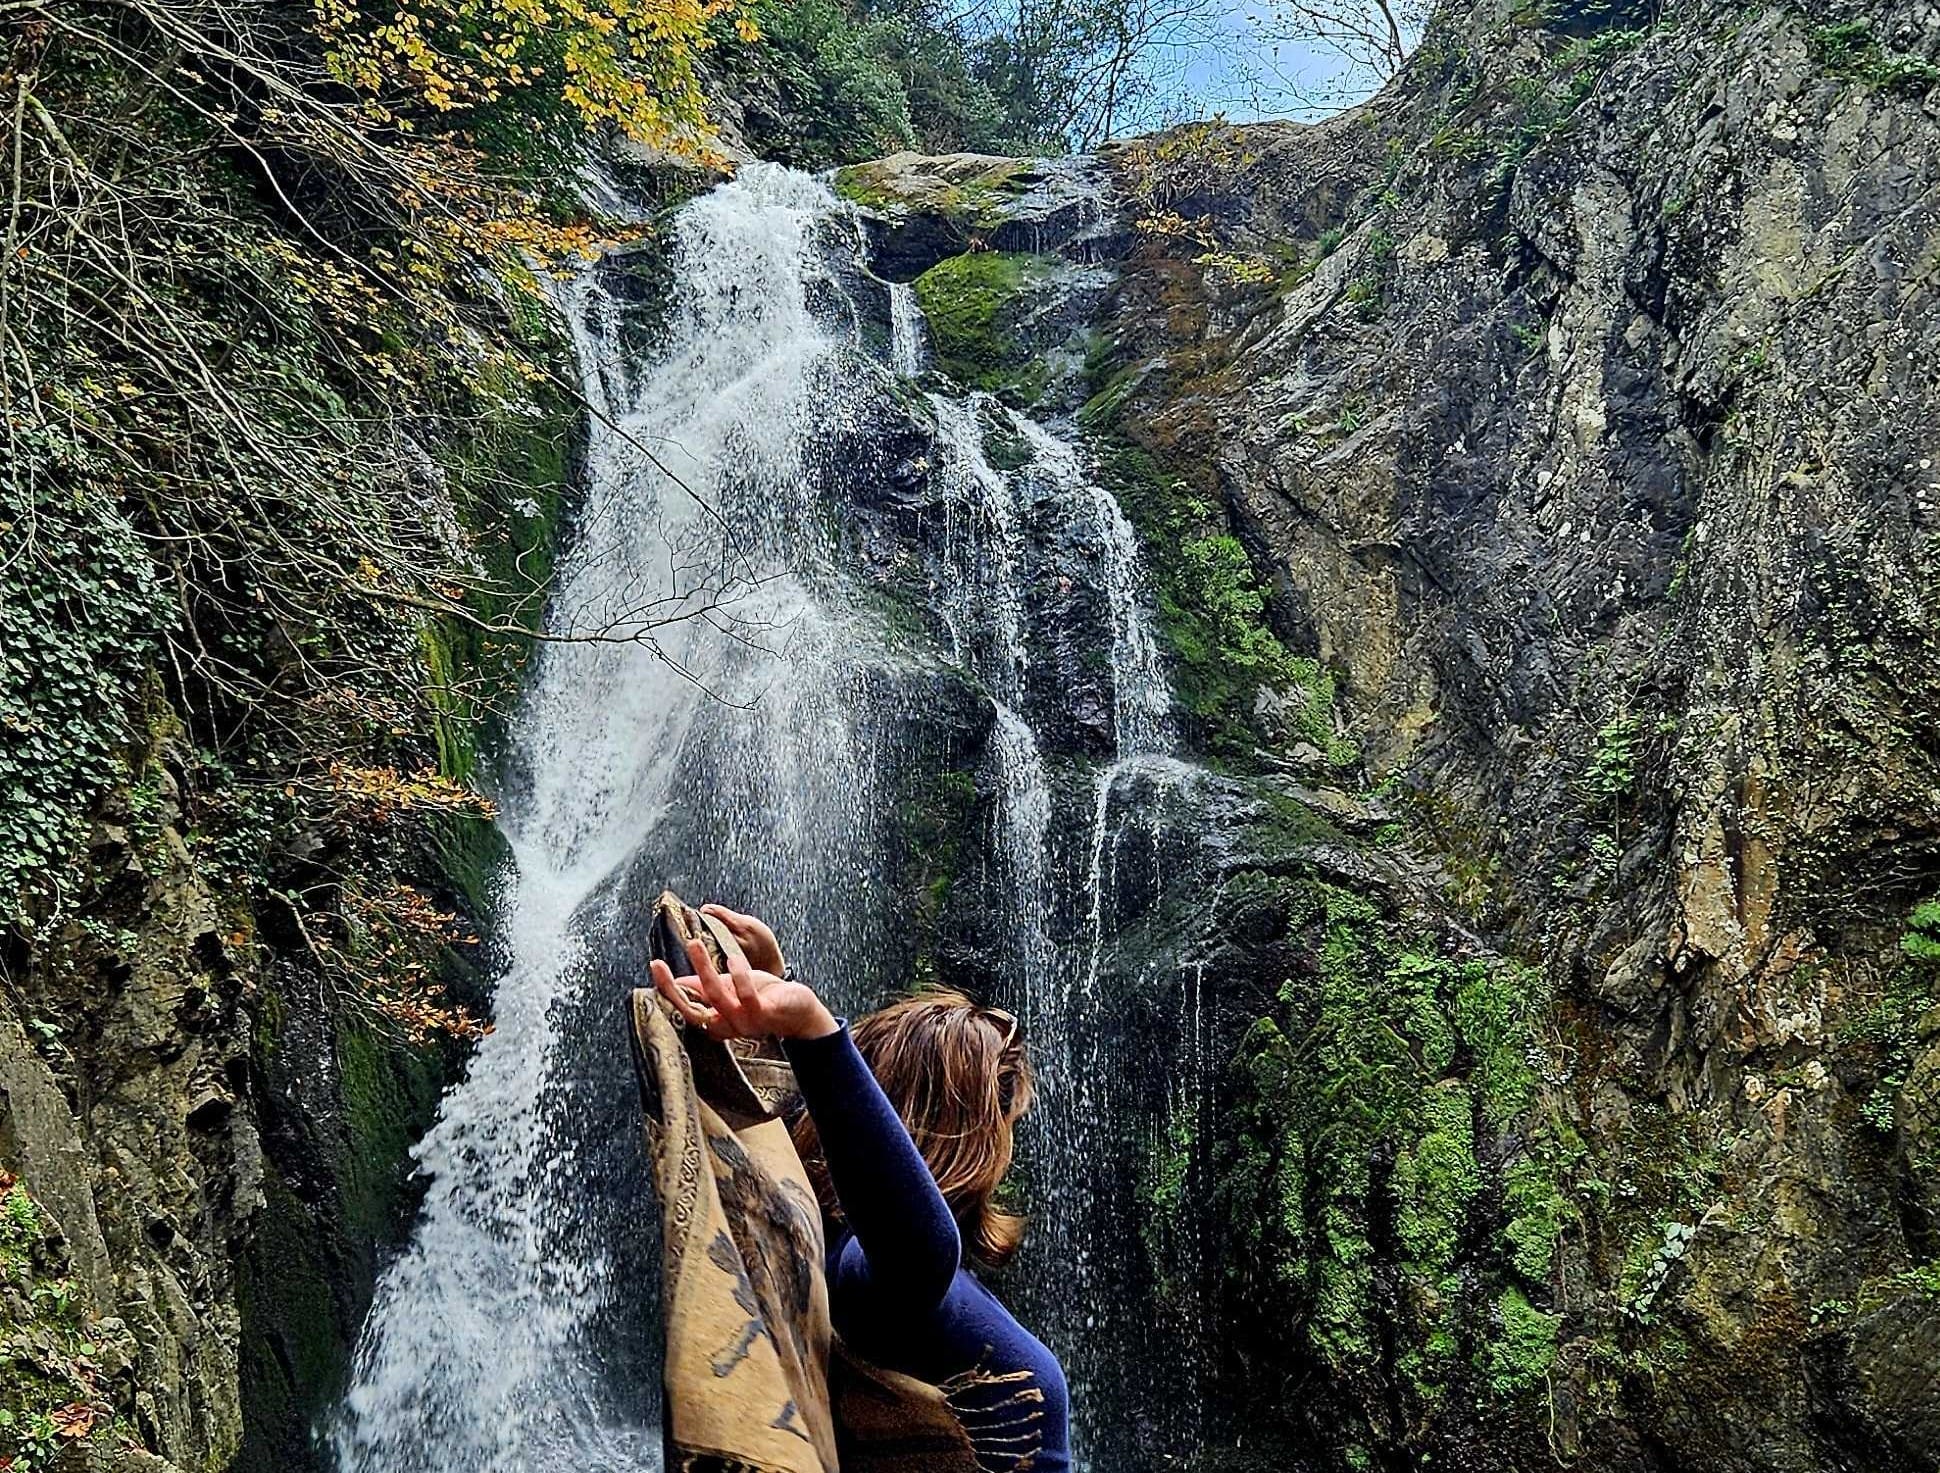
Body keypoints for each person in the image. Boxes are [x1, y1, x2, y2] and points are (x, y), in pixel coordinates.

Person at [650, 902, 1071, 1473]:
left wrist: (789, 1003)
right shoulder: (871, 1279)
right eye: (1006, 1122)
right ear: (975, 1129)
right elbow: (918, 1253)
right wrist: (813, 1034)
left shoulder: (827, 1251)